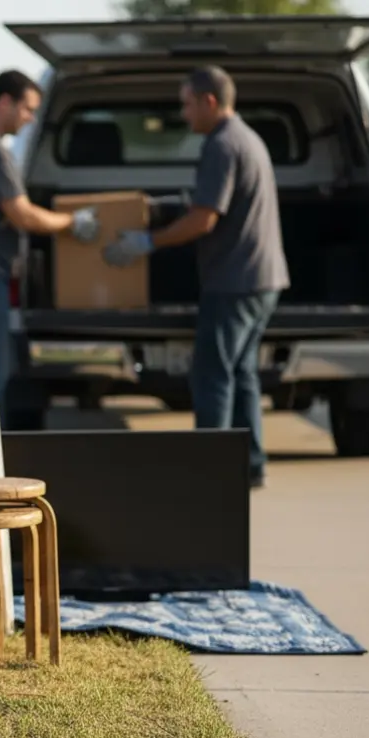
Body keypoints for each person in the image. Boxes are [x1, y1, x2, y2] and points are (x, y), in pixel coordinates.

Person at [103, 65, 291, 489]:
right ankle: (250, 464)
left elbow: (204, 220)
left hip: (235, 281)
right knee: (241, 371)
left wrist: (148, 242)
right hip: (264, 278)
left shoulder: (221, 145)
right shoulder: (246, 138)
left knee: (211, 373)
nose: (184, 114)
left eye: (187, 103)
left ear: (209, 101)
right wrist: (167, 205)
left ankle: (210, 471)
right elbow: (211, 201)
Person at [0, 69, 100, 466]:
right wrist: (72, 222)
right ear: (5, 102)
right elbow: (21, 213)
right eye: (27, 109)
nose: (30, 118)